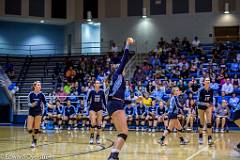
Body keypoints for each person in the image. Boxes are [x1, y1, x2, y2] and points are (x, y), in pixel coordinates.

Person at [106, 37, 134, 160]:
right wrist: (127, 45)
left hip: (114, 103)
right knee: (124, 132)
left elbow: (121, 98)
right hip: (116, 104)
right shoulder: (117, 74)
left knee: (121, 132)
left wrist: (133, 100)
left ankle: (114, 155)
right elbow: (124, 58)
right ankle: (113, 155)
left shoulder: (118, 80)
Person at [27, 81, 48, 148]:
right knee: (29, 129)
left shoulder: (42, 95)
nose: (40, 86)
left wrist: (50, 105)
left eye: (40, 85)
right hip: (31, 112)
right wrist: (32, 105)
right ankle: (33, 139)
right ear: (35, 86)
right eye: (38, 85)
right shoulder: (30, 94)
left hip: (38, 112)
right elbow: (28, 103)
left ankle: (34, 141)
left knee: (36, 129)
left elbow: (45, 103)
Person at [87, 80, 107, 144]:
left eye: (99, 83)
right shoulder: (91, 91)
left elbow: (104, 101)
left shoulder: (102, 92)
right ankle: (91, 137)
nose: (98, 84)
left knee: (99, 124)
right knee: (93, 123)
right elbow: (88, 100)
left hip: (99, 108)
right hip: (92, 108)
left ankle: (98, 137)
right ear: (94, 84)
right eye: (97, 83)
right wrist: (87, 107)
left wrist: (106, 108)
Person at [197, 77, 214, 145]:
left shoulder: (211, 90)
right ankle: (200, 137)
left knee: (209, 123)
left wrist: (211, 105)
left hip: (208, 107)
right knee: (202, 123)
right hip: (201, 107)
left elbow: (211, 100)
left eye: (209, 80)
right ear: (204, 82)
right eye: (206, 80)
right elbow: (198, 102)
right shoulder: (201, 90)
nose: (208, 81)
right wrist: (205, 103)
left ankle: (209, 138)